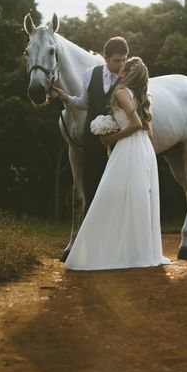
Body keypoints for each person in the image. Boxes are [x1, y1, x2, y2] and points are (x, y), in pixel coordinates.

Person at [64, 57, 171, 271]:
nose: (120, 67)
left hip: (129, 147)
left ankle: (108, 249)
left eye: (124, 65)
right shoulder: (137, 94)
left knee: (109, 196)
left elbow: (137, 124)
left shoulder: (122, 92)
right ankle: (133, 249)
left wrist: (112, 137)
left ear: (127, 72)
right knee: (134, 198)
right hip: (141, 147)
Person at [52, 36, 128, 212]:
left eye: (124, 60)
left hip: (118, 143)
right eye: (117, 60)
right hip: (91, 139)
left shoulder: (128, 78)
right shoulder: (90, 74)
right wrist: (66, 98)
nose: (122, 64)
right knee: (92, 188)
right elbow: (85, 103)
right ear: (106, 58)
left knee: (114, 191)